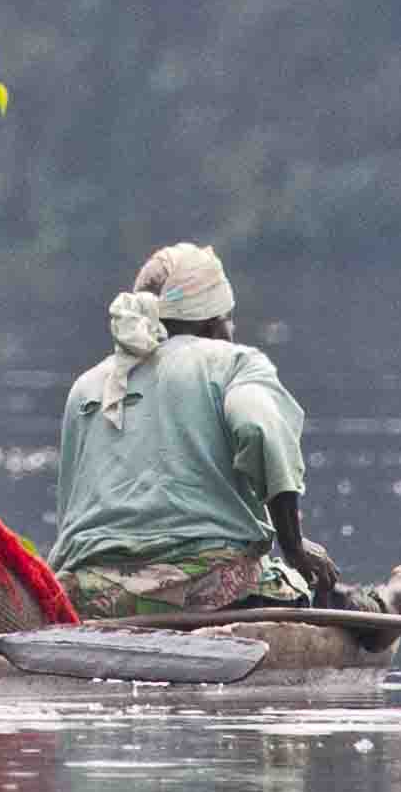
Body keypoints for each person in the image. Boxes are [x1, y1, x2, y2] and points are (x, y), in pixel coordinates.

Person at [46, 241, 357, 615]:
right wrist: (294, 546)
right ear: (213, 323)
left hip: (90, 596)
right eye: (229, 320)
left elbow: (70, 516)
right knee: (317, 590)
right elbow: (259, 428)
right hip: (205, 588)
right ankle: (378, 605)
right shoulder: (233, 362)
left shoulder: (87, 385)